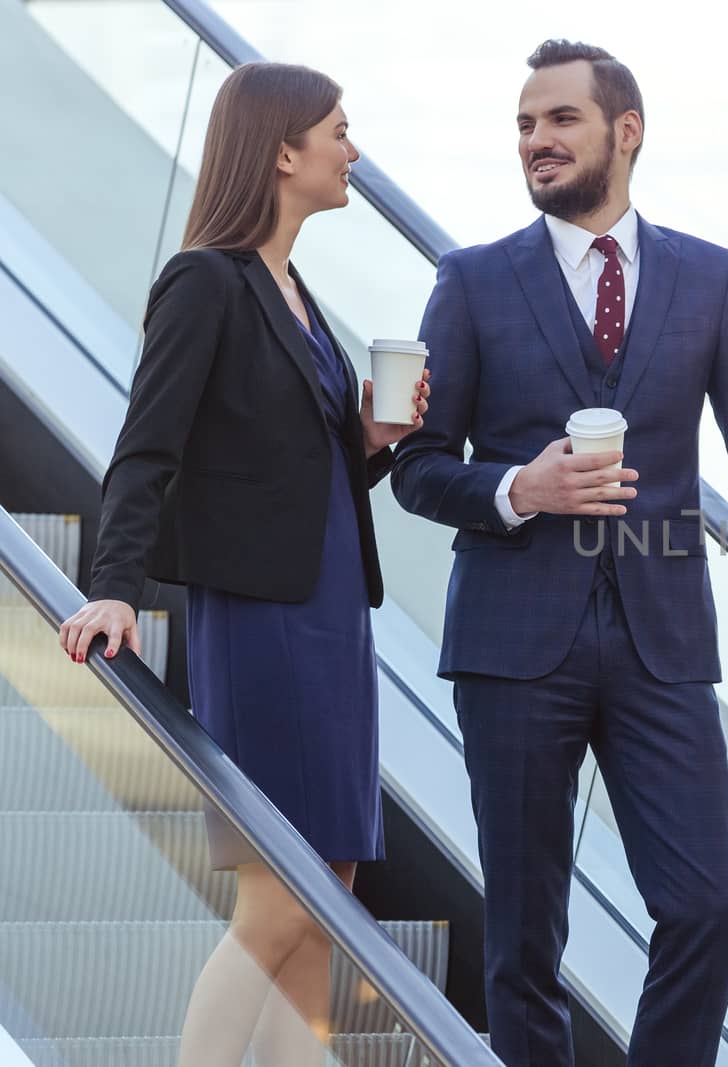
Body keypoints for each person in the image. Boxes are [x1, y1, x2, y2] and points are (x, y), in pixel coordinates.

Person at [391, 39, 728, 1067]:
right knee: (523, 936)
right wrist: (517, 487)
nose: (536, 142)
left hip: (661, 644)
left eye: (559, 120)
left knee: (706, 903)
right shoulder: (471, 281)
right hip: (512, 644)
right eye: (523, 125)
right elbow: (417, 466)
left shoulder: (707, 279)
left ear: (624, 133)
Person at [56, 61, 430, 1066]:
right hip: (266, 618)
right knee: (277, 898)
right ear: (281, 149)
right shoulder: (205, 278)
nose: (354, 152)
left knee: (330, 889)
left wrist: (375, 437)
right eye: (339, 132)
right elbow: (148, 445)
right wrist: (115, 587)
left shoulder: (293, 287)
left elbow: (296, 468)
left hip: (332, 612)